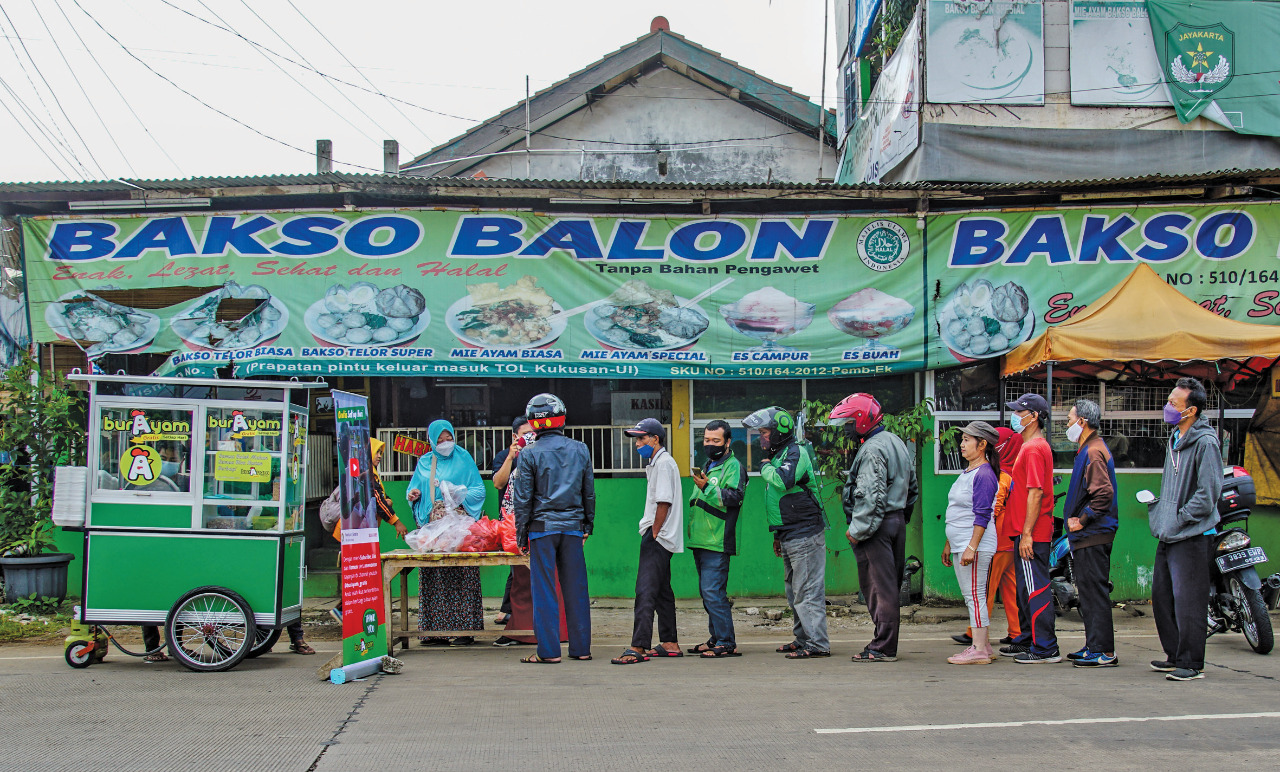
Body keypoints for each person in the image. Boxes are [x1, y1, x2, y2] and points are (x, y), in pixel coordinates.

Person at [831, 393, 919, 663]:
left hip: (875, 526)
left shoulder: (872, 449)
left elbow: (871, 495)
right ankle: (884, 643)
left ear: (862, 420)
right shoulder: (895, 441)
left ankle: (883, 647)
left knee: (880, 589)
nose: (846, 429)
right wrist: (900, 519)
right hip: (894, 521)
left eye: (849, 423)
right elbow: (912, 488)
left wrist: (857, 530)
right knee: (889, 586)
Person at [1149, 377, 1222, 681]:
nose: (1167, 407)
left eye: (1172, 403)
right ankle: (1175, 655)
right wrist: (1163, 515)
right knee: (1162, 597)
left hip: (1192, 534)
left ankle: (1191, 663)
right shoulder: (1175, 439)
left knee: (1189, 601)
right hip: (1170, 532)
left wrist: (1180, 518)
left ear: (1190, 410)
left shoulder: (1205, 442)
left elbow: (1208, 493)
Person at [513, 393, 595, 664]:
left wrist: (521, 534)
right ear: (561, 418)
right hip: (573, 528)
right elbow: (588, 492)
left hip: (541, 529)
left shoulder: (528, 453)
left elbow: (523, 498)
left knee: (545, 591)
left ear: (533, 422)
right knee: (576, 590)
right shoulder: (580, 449)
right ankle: (581, 649)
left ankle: (548, 652)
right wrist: (587, 524)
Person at [744, 406, 829, 660]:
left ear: (779, 431)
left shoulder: (795, 452)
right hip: (789, 533)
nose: (762, 438)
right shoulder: (780, 454)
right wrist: (777, 535)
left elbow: (784, 480)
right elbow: (780, 500)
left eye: (764, 432)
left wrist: (764, 467)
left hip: (805, 532)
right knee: (794, 593)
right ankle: (803, 639)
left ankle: (817, 643)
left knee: (807, 591)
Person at [407, 420, 487, 646]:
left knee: (463, 574)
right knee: (435, 576)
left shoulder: (464, 458)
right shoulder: (425, 461)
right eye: (439, 440)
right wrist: (413, 494)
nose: (445, 443)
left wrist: (458, 492)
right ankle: (435, 632)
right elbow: (414, 488)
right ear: (431, 441)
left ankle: (464, 631)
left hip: (459, 527)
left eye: (448, 438)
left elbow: (479, 489)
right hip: (434, 529)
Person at [612, 418, 684, 664]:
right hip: (661, 536)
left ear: (655, 439)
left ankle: (639, 646)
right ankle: (670, 642)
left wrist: (653, 532)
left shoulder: (663, 464)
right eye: (636, 439)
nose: (637, 444)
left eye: (642, 438)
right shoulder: (659, 463)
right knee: (662, 591)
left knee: (644, 591)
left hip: (658, 537)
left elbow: (663, 502)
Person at [1000, 393, 1060, 664]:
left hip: (1032, 534)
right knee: (1025, 589)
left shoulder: (1034, 448)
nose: (1015, 417)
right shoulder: (1029, 446)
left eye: (1019, 412)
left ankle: (1045, 647)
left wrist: (1027, 534)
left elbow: (1035, 493)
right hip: (1024, 531)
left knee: (1035, 589)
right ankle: (1027, 638)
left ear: (1034, 417)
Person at [1062, 399, 1119, 668]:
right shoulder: (1088, 449)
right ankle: (1093, 645)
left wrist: (1082, 520)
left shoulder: (1093, 451)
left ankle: (1103, 651)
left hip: (1093, 534)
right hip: (1088, 535)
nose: (1067, 424)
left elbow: (1103, 494)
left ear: (1082, 421)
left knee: (1094, 593)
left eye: (1070, 419)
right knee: (1088, 593)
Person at [953, 427, 1024, 647]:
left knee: (982, 590)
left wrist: (972, 544)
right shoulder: (1011, 474)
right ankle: (1016, 631)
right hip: (1010, 539)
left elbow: (990, 511)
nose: (963, 444)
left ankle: (975, 635)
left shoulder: (996, 475)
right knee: (1010, 588)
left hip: (996, 542)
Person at [686, 419, 748, 658]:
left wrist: (706, 488)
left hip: (718, 539)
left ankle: (726, 642)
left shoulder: (733, 466)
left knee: (713, 592)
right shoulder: (709, 465)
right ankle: (716, 638)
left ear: (727, 442)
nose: (709, 444)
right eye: (706, 440)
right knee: (707, 593)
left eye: (715, 440)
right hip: (700, 539)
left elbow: (735, 497)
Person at [941, 421, 1001, 665]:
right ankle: (984, 646)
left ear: (982, 444)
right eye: (962, 440)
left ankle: (977, 649)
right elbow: (958, 511)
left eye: (967, 440)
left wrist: (971, 547)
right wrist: (949, 543)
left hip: (974, 544)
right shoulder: (968, 472)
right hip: (961, 542)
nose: (962, 444)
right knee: (973, 595)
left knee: (974, 596)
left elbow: (982, 515)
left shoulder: (984, 474)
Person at [490, 416, 530, 645]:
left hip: (535, 524)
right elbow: (498, 483)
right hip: (510, 526)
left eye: (534, 433)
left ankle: (518, 620)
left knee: (525, 575)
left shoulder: (540, 454)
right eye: (526, 434)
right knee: (517, 573)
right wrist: (511, 457)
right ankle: (514, 619)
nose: (531, 437)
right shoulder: (504, 457)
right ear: (515, 436)